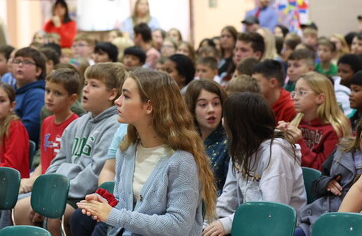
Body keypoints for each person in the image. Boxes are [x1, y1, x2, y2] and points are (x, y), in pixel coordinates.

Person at [76, 69, 216, 236]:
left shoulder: (181, 160)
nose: (117, 102)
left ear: (149, 106)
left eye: (126, 96)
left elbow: (178, 226)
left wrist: (115, 215)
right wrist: (106, 205)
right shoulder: (126, 150)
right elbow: (126, 209)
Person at [15, 63, 125, 236]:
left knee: (53, 217)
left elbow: (95, 173)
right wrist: (46, 192)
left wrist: (56, 197)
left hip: (83, 195)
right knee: (20, 209)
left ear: (112, 94)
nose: (86, 89)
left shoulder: (114, 126)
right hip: (60, 192)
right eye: (86, 83)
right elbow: (57, 161)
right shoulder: (77, 123)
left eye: (93, 85)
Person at [203, 92, 306, 236]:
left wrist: (228, 223)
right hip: (250, 224)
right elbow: (229, 195)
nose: (223, 121)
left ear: (239, 125)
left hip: (281, 228)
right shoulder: (240, 146)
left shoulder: (275, 152)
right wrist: (209, 221)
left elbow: (271, 209)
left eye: (226, 117)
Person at [296, 104, 362, 236]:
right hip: (322, 217)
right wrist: (326, 183)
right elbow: (317, 184)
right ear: (359, 132)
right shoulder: (342, 150)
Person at [277, 72, 352, 170]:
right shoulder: (297, 121)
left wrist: (298, 142)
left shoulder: (335, 129)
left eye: (302, 92)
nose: (295, 98)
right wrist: (281, 137)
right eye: (294, 93)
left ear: (320, 98)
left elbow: (321, 170)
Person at [185, 79, 229, 194]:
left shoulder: (230, 142)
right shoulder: (186, 140)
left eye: (216, 103)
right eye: (203, 105)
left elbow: (230, 192)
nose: (211, 110)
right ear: (192, 109)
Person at [0, 82, 29, 175]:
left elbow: (11, 166)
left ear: (12, 106)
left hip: (6, 182)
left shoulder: (15, 127)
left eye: (1, 101)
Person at [12, 47, 46, 145]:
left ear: (38, 71)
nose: (20, 65)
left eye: (27, 62)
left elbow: (29, 130)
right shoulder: (11, 90)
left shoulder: (37, 94)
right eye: (17, 61)